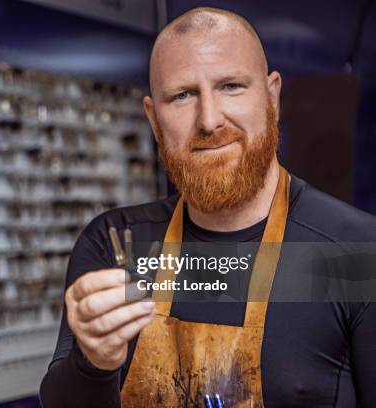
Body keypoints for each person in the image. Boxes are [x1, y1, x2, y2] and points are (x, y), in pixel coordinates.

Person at [40, 6, 376, 408]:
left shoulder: (358, 253)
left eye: (231, 86)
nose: (209, 120)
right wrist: (93, 361)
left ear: (271, 97)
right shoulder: (117, 246)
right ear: (153, 117)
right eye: (182, 95)